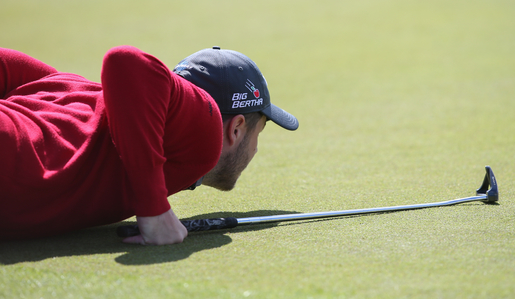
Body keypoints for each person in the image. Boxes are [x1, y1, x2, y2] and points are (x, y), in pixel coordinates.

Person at [0, 45, 298, 245]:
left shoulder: (70, 87)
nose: (256, 149)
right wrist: (154, 210)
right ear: (236, 129)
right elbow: (125, 60)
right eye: (261, 130)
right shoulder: (207, 135)